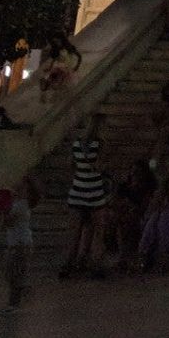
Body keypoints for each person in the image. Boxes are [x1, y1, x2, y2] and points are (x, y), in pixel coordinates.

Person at [61, 112, 110, 278]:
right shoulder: (100, 144)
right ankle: (96, 264)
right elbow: (99, 167)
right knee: (98, 230)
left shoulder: (76, 144)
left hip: (78, 189)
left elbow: (69, 165)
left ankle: (68, 264)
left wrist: (78, 176)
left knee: (74, 232)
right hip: (94, 190)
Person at [0, 177, 38, 316]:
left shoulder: (21, 205)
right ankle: (24, 289)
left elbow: (8, 222)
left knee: (14, 275)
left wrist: (0, 210)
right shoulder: (17, 204)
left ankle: (14, 304)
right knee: (12, 274)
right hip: (18, 245)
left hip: (20, 245)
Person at [111, 160, 156, 270]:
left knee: (128, 221)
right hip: (124, 215)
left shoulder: (148, 188)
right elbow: (115, 202)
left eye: (138, 172)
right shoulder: (124, 186)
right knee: (121, 221)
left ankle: (126, 255)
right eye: (133, 171)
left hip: (140, 216)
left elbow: (145, 207)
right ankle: (123, 255)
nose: (135, 175)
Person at [36, 31, 81, 97]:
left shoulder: (69, 48)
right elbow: (54, 60)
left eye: (58, 41)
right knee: (55, 75)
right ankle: (48, 85)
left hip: (67, 69)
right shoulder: (56, 50)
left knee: (61, 78)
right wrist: (49, 68)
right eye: (55, 42)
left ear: (62, 40)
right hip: (59, 68)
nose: (57, 43)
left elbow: (79, 56)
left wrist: (77, 66)